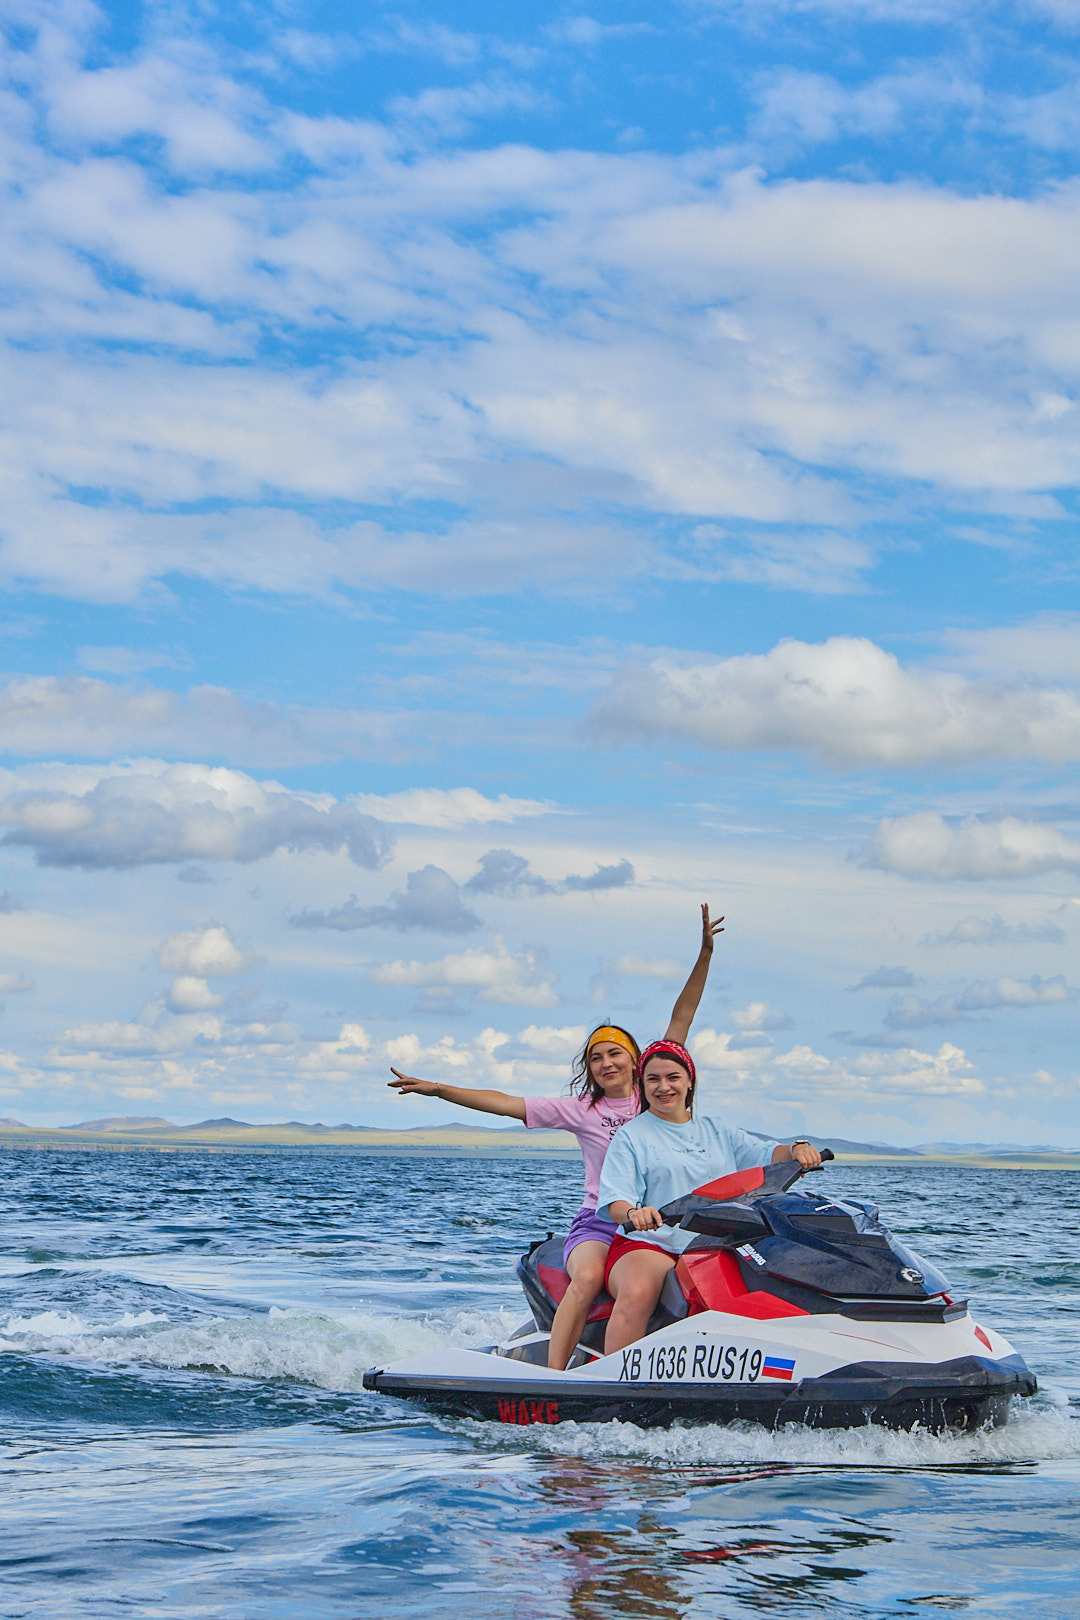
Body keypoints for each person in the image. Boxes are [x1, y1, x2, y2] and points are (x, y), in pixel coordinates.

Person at [387, 903, 724, 1371]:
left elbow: (681, 1018)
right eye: (595, 1058)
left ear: (635, 1060)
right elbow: (506, 1103)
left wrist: (705, 953)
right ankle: (557, 1376)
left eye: (615, 1054)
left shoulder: (655, 1096)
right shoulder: (582, 1110)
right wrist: (439, 1089)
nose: (606, 1063)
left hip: (662, 1222)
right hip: (601, 1223)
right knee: (586, 1279)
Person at [596, 1039, 822, 1356]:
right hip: (652, 1242)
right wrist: (635, 1214)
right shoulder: (631, 1135)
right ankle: (613, 1386)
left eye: (673, 1077)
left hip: (716, 1240)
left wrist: (798, 1149)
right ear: (641, 1085)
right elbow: (616, 1199)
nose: (664, 1087)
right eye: (653, 1079)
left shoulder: (716, 1128)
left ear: (690, 1081)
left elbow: (766, 1153)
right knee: (638, 1292)